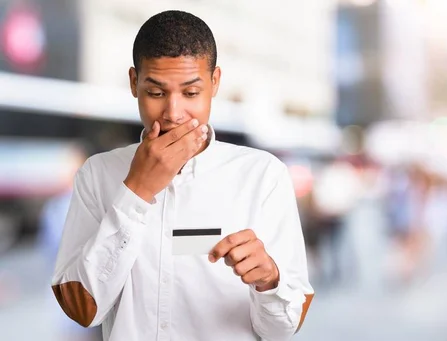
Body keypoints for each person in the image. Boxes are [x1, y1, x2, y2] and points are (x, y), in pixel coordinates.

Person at [50, 10, 314, 341]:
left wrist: (269, 280)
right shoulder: (98, 174)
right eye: (156, 93)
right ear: (134, 83)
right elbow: (81, 310)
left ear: (214, 82)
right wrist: (136, 191)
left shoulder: (263, 176)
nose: (174, 113)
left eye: (190, 93)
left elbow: (281, 331)